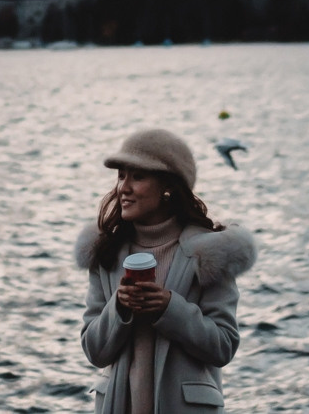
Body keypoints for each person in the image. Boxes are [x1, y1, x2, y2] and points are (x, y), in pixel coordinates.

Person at [75, 128, 256, 413]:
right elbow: (95, 351)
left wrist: (169, 308)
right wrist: (120, 307)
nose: (124, 187)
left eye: (138, 176)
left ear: (168, 187)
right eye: (121, 175)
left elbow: (223, 346)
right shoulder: (106, 251)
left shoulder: (209, 253)